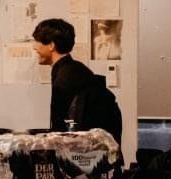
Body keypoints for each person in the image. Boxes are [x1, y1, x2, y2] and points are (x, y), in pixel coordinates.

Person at [32, 18, 122, 149]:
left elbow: (61, 127)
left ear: (51, 45)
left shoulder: (65, 77)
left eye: (37, 41)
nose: (34, 47)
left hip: (86, 152)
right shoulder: (73, 68)